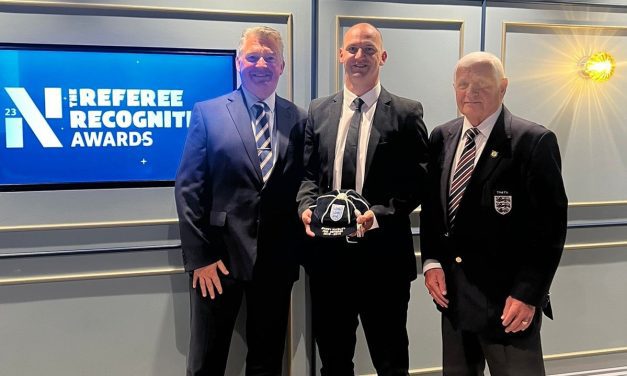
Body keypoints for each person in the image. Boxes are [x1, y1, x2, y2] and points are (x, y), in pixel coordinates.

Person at [420, 51, 568, 375]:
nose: (470, 92)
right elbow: (432, 210)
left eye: (481, 85)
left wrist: (528, 294)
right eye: (462, 84)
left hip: (508, 307)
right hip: (455, 303)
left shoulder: (533, 141)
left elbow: (550, 228)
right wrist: (431, 261)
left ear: (503, 87)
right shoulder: (440, 137)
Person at [297, 23, 429, 375]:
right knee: (334, 362)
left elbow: (419, 180)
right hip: (327, 261)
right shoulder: (318, 110)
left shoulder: (406, 111)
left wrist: (379, 213)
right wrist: (306, 207)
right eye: (352, 49)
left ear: (382, 57)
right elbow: (308, 174)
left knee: (390, 362)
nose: (360, 57)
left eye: (368, 50)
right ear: (341, 55)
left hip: (383, 261)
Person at [175, 26, 306, 376]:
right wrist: (200, 257)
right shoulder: (208, 112)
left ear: (282, 66)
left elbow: (304, 186)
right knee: (207, 360)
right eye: (252, 56)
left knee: (266, 361)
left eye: (270, 57)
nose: (260, 63)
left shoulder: (299, 119)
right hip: (217, 262)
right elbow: (189, 189)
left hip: (276, 264)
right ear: (238, 62)